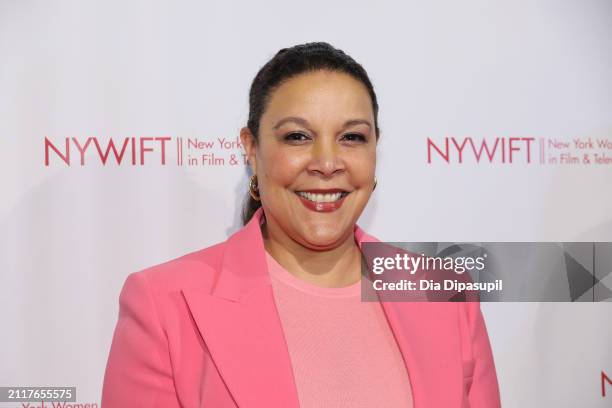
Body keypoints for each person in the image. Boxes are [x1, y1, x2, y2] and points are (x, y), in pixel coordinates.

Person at [101, 42, 501, 408]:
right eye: (297, 136)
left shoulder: (446, 297)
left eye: (351, 137)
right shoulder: (164, 304)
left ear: (376, 147)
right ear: (251, 148)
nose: (327, 163)